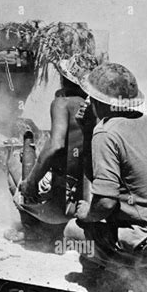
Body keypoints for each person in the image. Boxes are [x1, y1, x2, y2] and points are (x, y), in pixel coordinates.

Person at [63, 62, 147, 292]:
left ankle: (140, 284)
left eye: (91, 96)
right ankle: (131, 271)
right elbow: (102, 180)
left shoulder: (106, 132)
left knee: (73, 231)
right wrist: (89, 129)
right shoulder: (144, 121)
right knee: (116, 218)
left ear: (100, 101)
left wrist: (86, 213)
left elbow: (105, 203)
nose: (88, 102)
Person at [20, 53, 98, 202]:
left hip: (63, 188)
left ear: (65, 79)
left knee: (14, 169)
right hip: (85, 185)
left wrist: (30, 182)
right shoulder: (95, 107)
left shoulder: (62, 103)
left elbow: (56, 146)